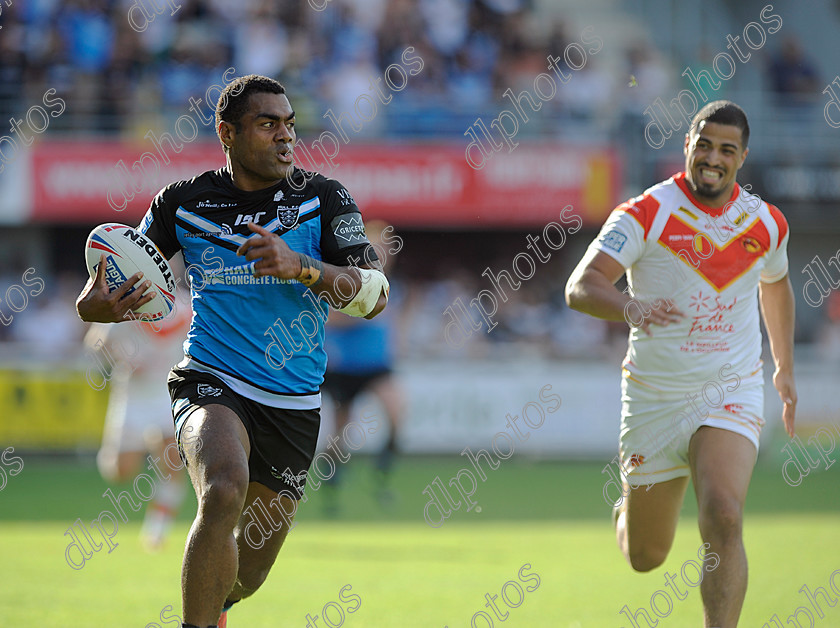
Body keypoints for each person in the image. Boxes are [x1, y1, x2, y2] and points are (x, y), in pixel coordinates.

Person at [76, 74, 390, 628]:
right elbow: (123, 276)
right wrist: (95, 305)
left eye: (290, 124)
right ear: (227, 132)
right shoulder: (182, 202)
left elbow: (374, 295)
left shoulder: (325, 198)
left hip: (293, 402)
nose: (285, 136)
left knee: (249, 574)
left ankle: (218, 607)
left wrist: (303, 267)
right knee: (223, 489)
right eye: (268, 124)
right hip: (209, 379)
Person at [565, 100, 796, 627]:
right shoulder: (644, 212)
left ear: (742, 157)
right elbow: (580, 287)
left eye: (726, 150)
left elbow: (776, 284)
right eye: (705, 145)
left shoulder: (765, 222)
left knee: (724, 513)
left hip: (730, 390)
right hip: (654, 399)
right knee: (646, 557)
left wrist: (783, 366)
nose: (713, 158)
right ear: (688, 145)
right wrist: (632, 307)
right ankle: (629, 508)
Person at [86, 296, 190, 550]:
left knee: (172, 463)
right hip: (132, 397)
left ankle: (156, 532)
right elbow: (95, 344)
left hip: (168, 393)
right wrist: (121, 360)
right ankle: (120, 451)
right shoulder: (124, 307)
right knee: (120, 471)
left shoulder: (184, 307)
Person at [321, 220, 405, 509]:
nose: (385, 254)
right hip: (345, 367)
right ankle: (332, 485)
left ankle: (382, 477)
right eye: (379, 247)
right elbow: (329, 318)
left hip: (377, 366)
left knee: (396, 414)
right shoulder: (349, 278)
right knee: (341, 435)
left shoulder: (391, 282)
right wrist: (364, 312)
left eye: (388, 248)